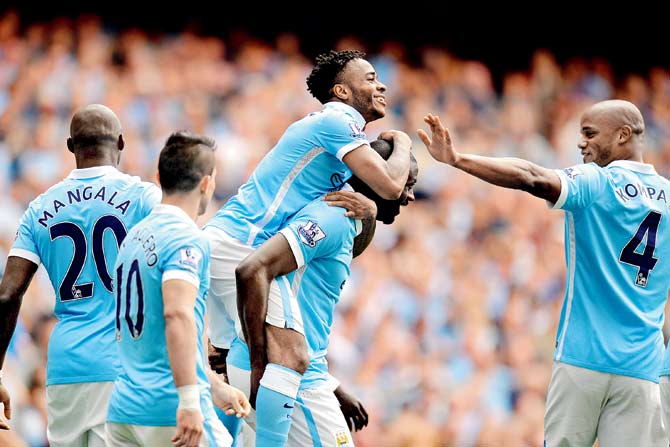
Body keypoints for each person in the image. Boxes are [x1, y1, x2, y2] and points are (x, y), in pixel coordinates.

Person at [418, 100, 669, 447]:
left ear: (624, 135)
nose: (581, 143)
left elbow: (532, 176)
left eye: (590, 133)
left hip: (583, 358)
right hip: (643, 368)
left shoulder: (598, 180)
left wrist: (459, 160)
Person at [204, 49, 412, 369]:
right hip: (242, 243)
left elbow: (354, 198)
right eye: (371, 79)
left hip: (229, 241)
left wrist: (370, 207)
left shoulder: (332, 143)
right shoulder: (337, 120)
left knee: (224, 366)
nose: (381, 86)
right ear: (341, 91)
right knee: (287, 360)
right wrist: (404, 142)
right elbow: (391, 185)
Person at [231, 139, 418, 446]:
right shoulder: (333, 217)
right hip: (288, 378)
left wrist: (332, 386)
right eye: (405, 183)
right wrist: (259, 364)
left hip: (297, 373)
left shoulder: (353, 218)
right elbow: (252, 269)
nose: (408, 195)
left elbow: (300, 302)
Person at [0, 104, 161, 446]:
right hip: (123, 364)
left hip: (64, 368)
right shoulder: (146, 199)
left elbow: (7, 294)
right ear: (120, 143)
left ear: (71, 146)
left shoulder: (39, 208)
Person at [105, 131, 250, 447]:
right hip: (168, 407)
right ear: (206, 184)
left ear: (159, 178)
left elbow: (151, 334)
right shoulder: (186, 239)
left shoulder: (133, 238)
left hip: (124, 409)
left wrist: (213, 385)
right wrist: (189, 399)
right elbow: (177, 315)